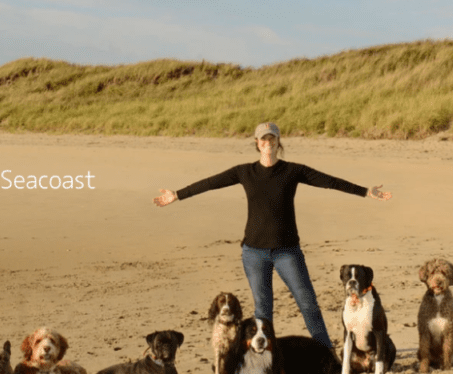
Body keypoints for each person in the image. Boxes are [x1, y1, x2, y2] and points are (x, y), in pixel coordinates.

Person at [154, 122, 392, 349]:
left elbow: (328, 181)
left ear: (279, 142)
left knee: (308, 303)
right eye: (264, 139)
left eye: (272, 138)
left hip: (287, 251)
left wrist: (364, 192)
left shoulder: (292, 171)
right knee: (263, 311)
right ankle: (266, 358)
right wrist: (177, 194)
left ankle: (325, 351)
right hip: (254, 253)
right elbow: (211, 182)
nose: (268, 143)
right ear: (257, 143)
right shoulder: (244, 172)